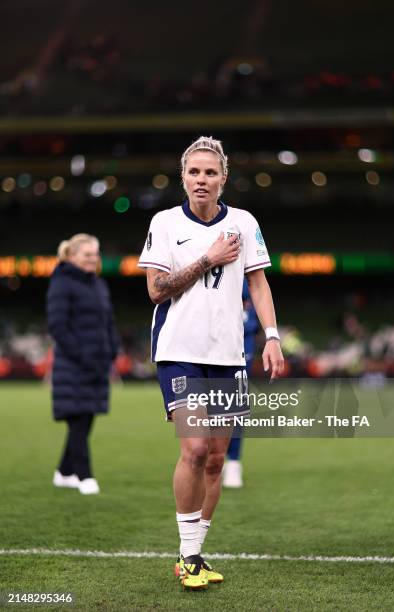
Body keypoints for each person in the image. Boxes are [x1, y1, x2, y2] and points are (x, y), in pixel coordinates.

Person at [138, 136, 284, 589]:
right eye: (194, 172)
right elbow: (156, 289)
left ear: (224, 178)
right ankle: (186, 557)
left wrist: (272, 337)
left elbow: (257, 284)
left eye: (210, 172)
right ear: (183, 177)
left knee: (217, 459)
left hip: (229, 358)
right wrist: (207, 258)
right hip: (179, 352)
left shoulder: (243, 222)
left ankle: (196, 555)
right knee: (195, 449)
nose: (201, 180)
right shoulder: (164, 223)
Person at [47, 233, 119, 495]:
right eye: (87, 254)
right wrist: (82, 356)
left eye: (95, 254)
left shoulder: (98, 285)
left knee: (86, 418)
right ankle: (85, 476)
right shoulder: (62, 283)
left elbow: (108, 322)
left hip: (97, 364)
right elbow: (57, 326)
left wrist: (112, 349)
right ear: (71, 256)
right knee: (78, 419)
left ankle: (64, 472)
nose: (93, 259)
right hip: (73, 364)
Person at [222, 278, 259, 488]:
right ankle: (207, 459)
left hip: (241, 346)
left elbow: (252, 314)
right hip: (208, 344)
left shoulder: (246, 273)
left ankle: (234, 462)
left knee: (235, 406)